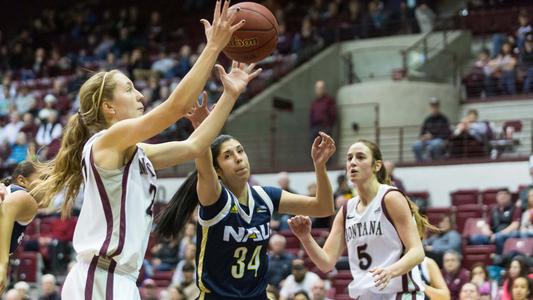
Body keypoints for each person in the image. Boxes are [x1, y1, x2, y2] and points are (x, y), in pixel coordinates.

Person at [30, 2, 261, 299]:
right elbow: (175, 108)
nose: (139, 95)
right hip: (100, 279)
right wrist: (214, 46)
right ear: (109, 107)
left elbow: (196, 145)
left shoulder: (133, 151)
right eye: (129, 89)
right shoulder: (107, 141)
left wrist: (230, 94)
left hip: (121, 279)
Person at [155, 130, 336, 299]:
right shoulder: (215, 201)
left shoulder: (266, 197)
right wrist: (202, 129)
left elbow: (323, 207)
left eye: (240, 151)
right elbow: (204, 167)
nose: (238, 159)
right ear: (217, 170)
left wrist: (320, 166)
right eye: (228, 156)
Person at [288, 139, 436, 299]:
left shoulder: (390, 198)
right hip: (366, 295)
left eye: (360, 157)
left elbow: (417, 251)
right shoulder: (346, 210)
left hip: (400, 293)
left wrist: (390, 271)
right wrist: (305, 237)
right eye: (349, 158)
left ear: (377, 165)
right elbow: (326, 263)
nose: (353, 162)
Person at [0, 162, 40, 294]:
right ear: (22, 180)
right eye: (43, 179)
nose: (50, 186)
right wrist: (3, 264)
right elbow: (9, 206)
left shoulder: (10, 191)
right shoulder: (25, 197)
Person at [412, 97, 451, 162]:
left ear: (439, 107)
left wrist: (432, 136)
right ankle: (421, 163)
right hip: (427, 141)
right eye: (432, 106)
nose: (434, 108)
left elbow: (447, 134)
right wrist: (424, 137)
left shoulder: (444, 119)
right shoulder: (427, 119)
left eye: (436, 106)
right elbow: (422, 133)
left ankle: (435, 162)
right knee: (416, 145)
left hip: (439, 141)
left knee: (435, 144)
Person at [309, 80, 337, 145]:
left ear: (324, 89)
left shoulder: (329, 100)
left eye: (320, 88)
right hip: (314, 129)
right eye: (317, 88)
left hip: (325, 128)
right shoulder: (314, 102)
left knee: (325, 148)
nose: (318, 90)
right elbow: (311, 115)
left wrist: (328, 126)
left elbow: (333, 114)